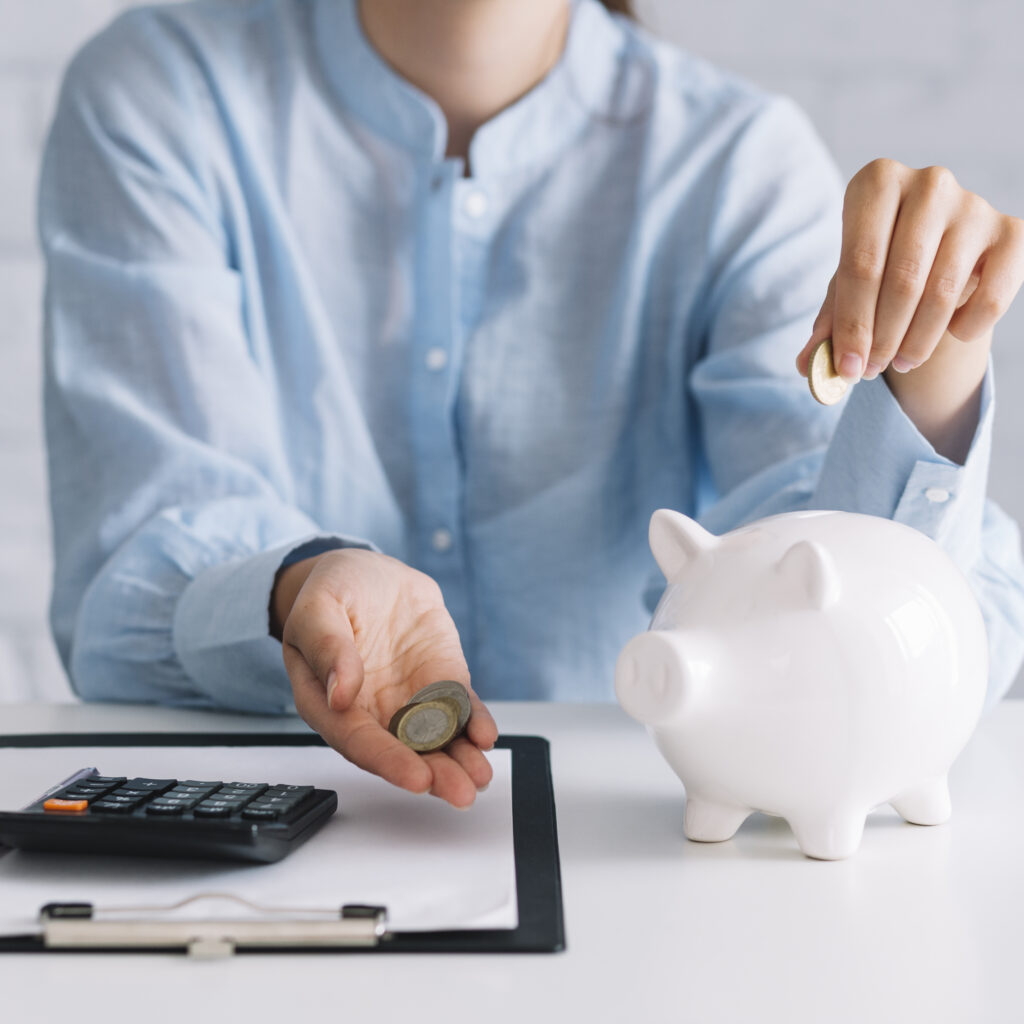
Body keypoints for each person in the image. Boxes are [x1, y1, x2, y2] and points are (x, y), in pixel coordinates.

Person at [40, 0, 1024, 809]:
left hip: (644, 860)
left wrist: (927, 377)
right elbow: (124, 597)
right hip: (277, 826)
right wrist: (298, 584)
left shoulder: (737, 164)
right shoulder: (157, 96)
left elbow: (888, 639)